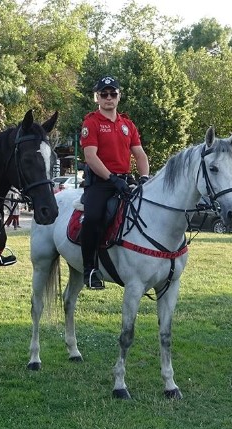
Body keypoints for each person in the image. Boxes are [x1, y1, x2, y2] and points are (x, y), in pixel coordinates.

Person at [79, 76, 150, 290]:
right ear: (97, 97)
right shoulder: (91, 122)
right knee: (92, 218)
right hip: (101, 182)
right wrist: (111, 178)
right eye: (104, 94)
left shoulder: (128, 124)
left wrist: (144, 178)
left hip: (126, 180)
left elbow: (140, 155)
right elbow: (91, 156)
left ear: (119, 96)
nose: (108, 98)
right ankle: (89, 270)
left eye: (113, 93)